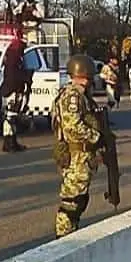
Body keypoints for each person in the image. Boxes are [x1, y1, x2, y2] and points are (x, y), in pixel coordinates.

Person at [51, 54, 103, 238]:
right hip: (76, 156)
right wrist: (96, 137)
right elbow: (73, 126)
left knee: (79, 199)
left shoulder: (80, 95)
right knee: (72, 202)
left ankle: (70, 232)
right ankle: (63, 238)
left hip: (82, 156)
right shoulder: (72, 96)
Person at [0, 26, 30, 153]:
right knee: (11, 116)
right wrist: (25, 79)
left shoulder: (13, 53)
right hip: (12, 88)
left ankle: (11, 142)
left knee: (11, 116)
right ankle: (10, 143)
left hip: (10, 88)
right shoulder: (15, 54)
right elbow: (14, 74)